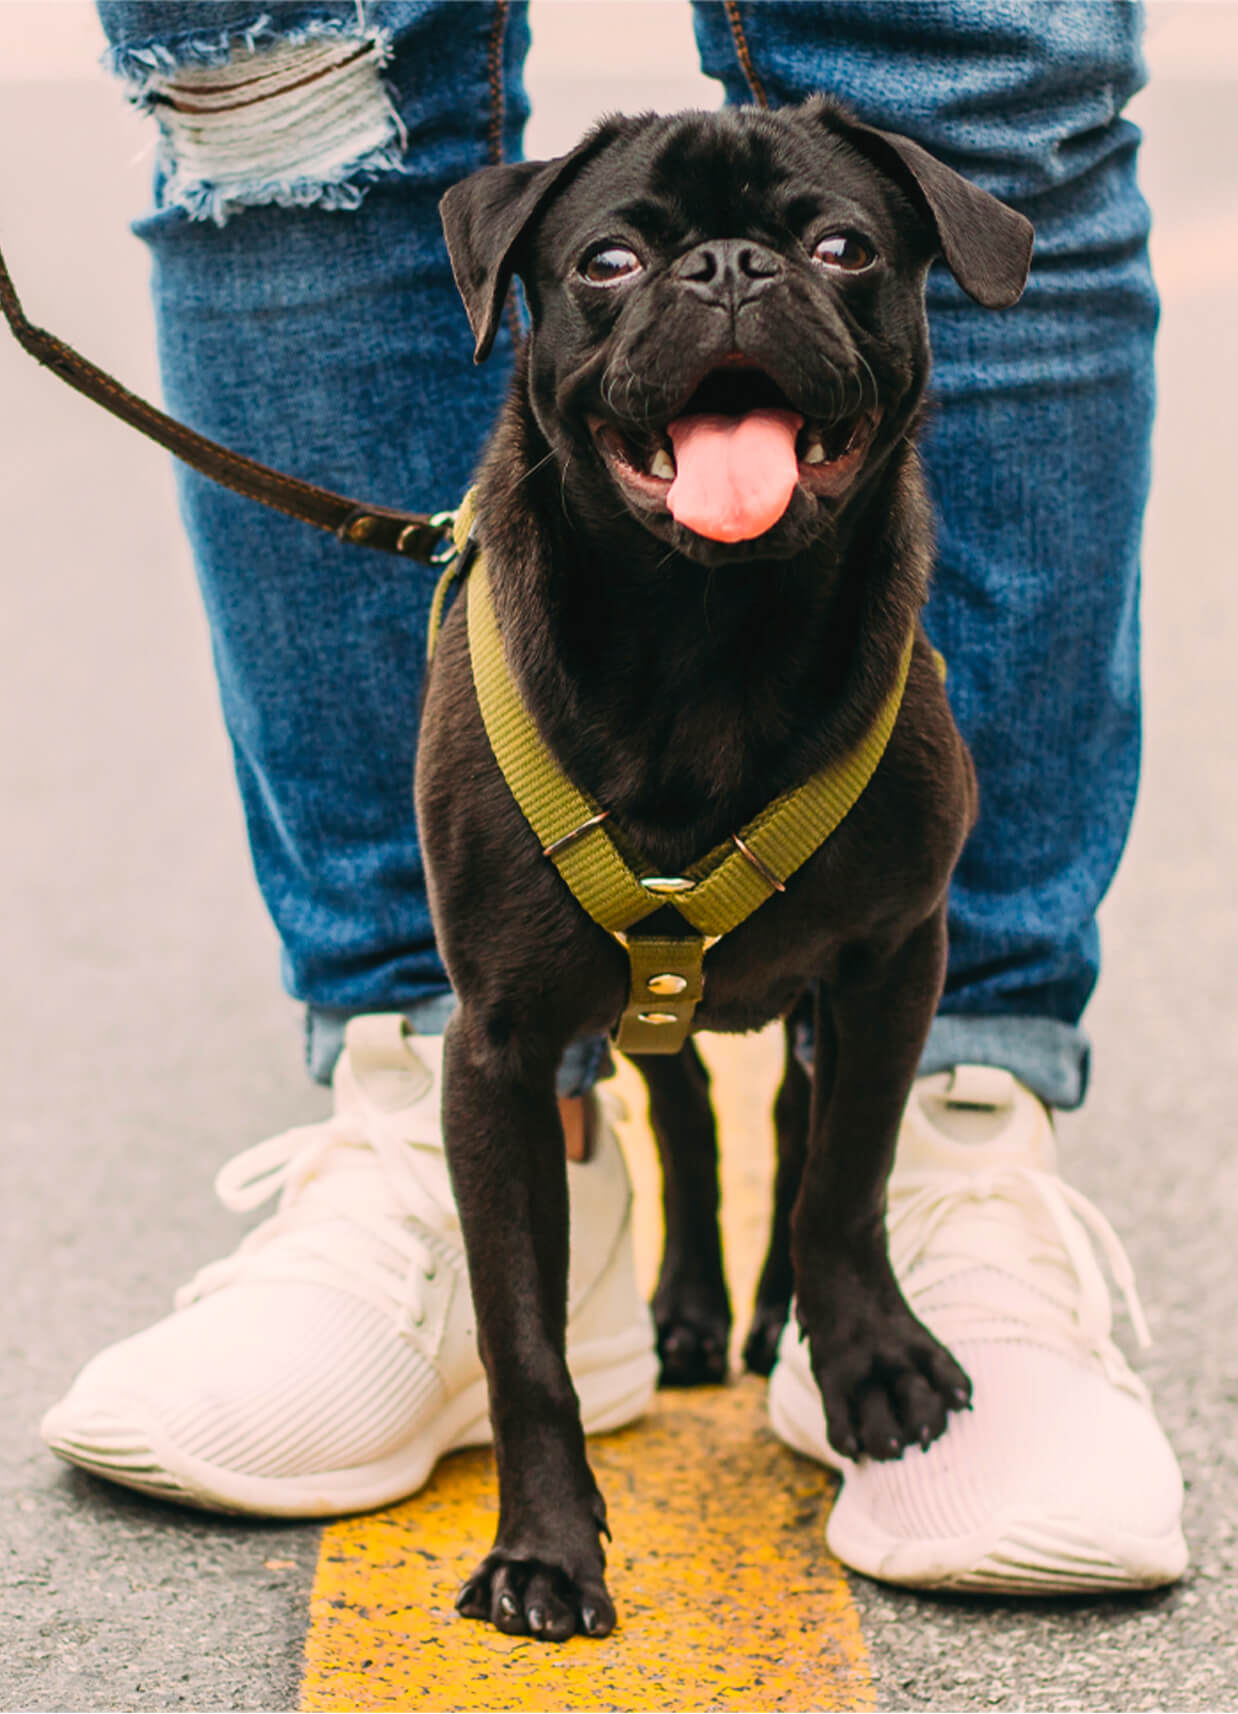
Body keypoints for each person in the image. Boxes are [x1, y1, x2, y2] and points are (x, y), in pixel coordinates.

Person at [42, 0, 1187, 1593]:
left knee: (979, 56)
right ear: (511, 294)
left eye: (833, 252)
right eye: (617, 266)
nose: (724, 285)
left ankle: (924, 1168)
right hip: (545, 736)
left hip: (851, 771)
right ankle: (421, 1102)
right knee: (272, 72)